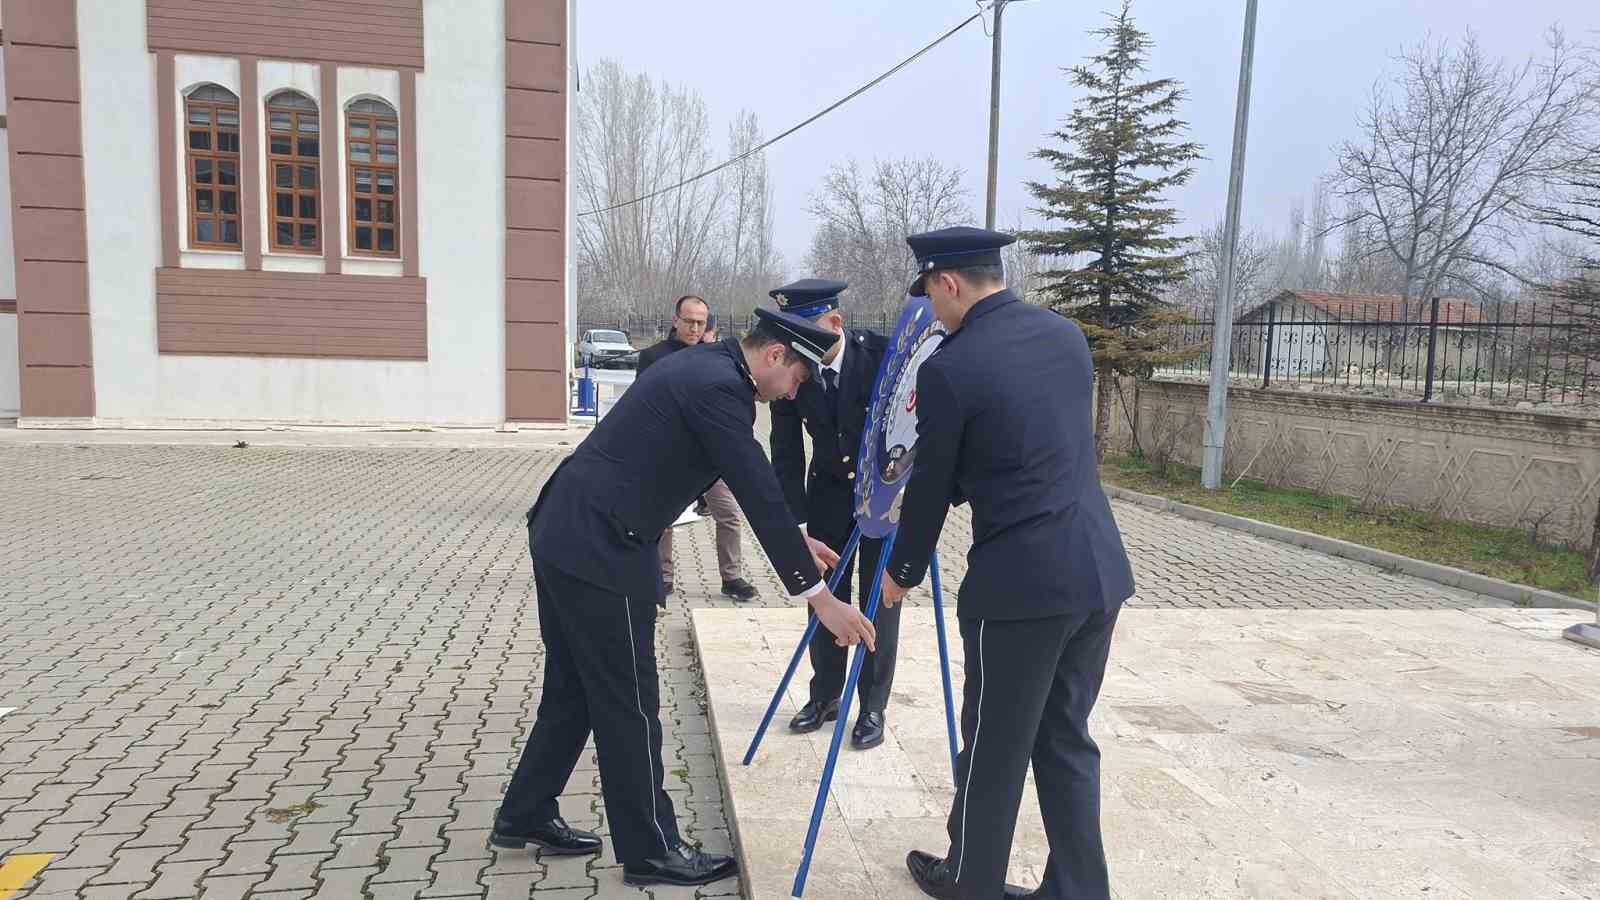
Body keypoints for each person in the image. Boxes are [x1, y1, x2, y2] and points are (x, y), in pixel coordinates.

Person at [494, 309, 878, 888]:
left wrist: (796, 536)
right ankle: (651, 849)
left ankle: (525, 811)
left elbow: (738, 478)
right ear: (775, 355)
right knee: (630, 703)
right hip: (601, 549)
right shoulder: (722, 389)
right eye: (799, 378)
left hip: (568, 531)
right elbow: (752, 480)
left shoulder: (706, 367)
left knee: (573, 688)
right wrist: (822, 598)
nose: (796, 392)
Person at [877, 227, 1136, 900]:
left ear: (949, 283)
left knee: (995, 747)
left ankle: (971, 884)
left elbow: (934, 486)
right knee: (1065, 740)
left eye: (932, 295)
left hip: (1020, 591)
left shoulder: (951, 368)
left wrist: (899, 571)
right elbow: (1023, 444)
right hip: (1097, 574)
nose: (933, 312)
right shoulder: (1064, 337)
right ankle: (1079, 891)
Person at [767, 278, 897, 751]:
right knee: (824, 595)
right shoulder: (796, 368)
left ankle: (873, 705)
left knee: (880, 599)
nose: (795, 347)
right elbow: (784, 449)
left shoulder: (883, 356)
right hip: (825, 499)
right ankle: (824, 696)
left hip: (881, 499)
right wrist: (795, 522)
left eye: (807, 332)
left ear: (835, 322)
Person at [637, 296, 759, 601]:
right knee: (662, 520)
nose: (693, 328)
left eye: (700, 323)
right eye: (688, 321)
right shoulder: (653, 356)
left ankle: (732, 577)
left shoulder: (715, 356)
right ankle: (661, 577)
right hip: (668, 453)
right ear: (676, 320)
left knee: (729, 514)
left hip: (710, 454)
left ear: (708, 325)